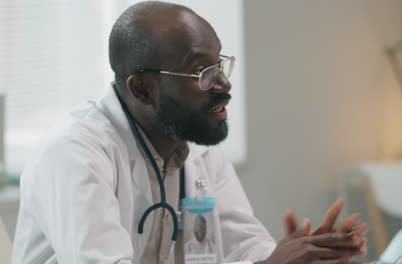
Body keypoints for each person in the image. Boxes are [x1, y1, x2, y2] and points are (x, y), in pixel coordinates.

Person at [12, 1, 367, 263]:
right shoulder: (75, 154)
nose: (225, 84)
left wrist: (297, 256)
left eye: (220, 65)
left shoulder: (199, 148)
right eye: (202, 72)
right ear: (142, 90)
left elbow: (243, 248)